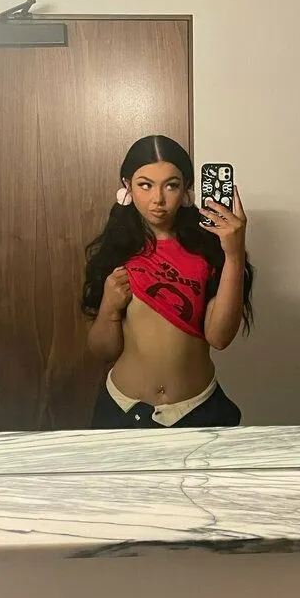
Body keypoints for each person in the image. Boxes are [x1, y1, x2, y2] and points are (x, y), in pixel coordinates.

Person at [81, 135, 254, 429]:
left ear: (186, 189)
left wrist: (234, 255)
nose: (158, 199)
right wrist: (109, 307)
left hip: (198, 411)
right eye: (145, 185)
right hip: (123, 411)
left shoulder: (208, 249)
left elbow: (220, 338)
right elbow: (102, 352)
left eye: (171, 185)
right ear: (127, 186)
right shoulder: (115, 252)